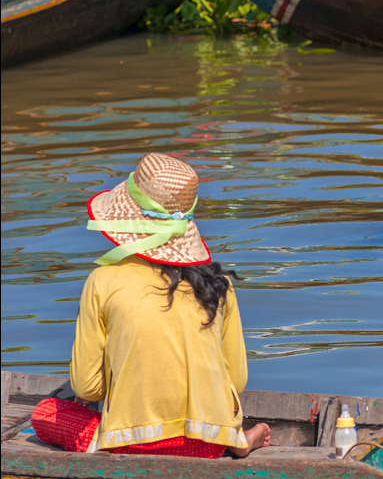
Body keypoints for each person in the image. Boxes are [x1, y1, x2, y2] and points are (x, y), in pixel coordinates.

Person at [30, 153, 270, 459]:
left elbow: (88, 387)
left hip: (130, 443)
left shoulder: (103, 280)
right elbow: (235, 380)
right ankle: (237, 439)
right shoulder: (220, 283)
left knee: (46, 412)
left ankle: (111, 439)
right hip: (209, 444)